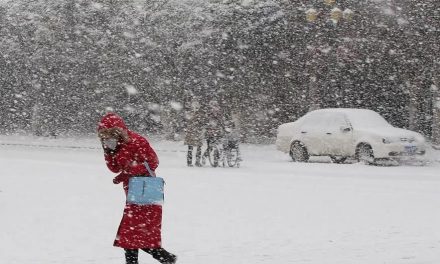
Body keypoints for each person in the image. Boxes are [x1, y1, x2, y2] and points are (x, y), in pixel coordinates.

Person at [97, 113, 177, 264]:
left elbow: (153, 162)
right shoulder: (115, 145)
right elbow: (113, 168)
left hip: (146, 189)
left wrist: (128, 172)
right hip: (132, 192)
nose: (108, 137)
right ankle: (165, 257)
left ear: (119, 130)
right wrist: (108, 152)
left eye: (110, 133)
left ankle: (165, 257)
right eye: (104, 135)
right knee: (133, 234)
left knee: (130, 234)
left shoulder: (136, 141)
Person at [184, 101, 205, 167]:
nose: (195, 108)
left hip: (197, 132)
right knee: (190, 148)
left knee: (198, 147)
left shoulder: (200, 114)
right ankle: (189, 162)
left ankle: (197, 162)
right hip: (191, 132)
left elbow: (202, 122)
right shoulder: (189, 113)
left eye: (197, 107)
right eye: (194, 106)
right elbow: (188, 121)